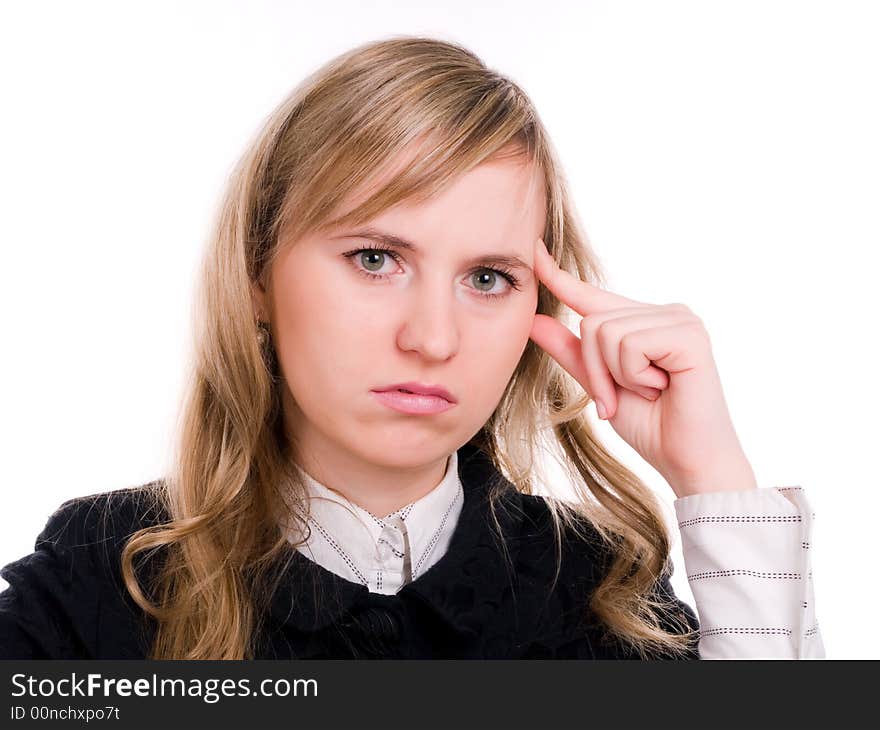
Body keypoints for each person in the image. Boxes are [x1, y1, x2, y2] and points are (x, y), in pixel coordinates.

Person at [0, 36, 823, 660]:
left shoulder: (601, 590)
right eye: (375, 259)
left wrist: (712, 478)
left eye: (490, 278)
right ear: (257, 275)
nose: (432, 339)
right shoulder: (101, 583)